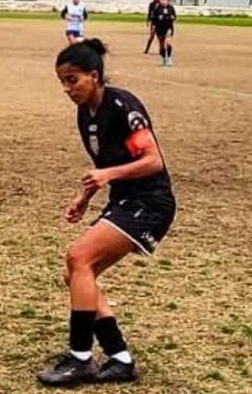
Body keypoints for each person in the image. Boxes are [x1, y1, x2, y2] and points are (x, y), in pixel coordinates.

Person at [37, 39, 176, 387]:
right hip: (126, 199)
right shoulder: (86, 114)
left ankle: (80, 358)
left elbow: (152, 160)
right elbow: (106, 166)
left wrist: (107, 176)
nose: (67, 89)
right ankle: (119, 358)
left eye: (73, 80)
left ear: (94, 76)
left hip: (150, 202)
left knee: (78, 258)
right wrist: (84, 198)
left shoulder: (121, 105)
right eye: (62, 82)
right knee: (77, 276)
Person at [151, 0, 176, 67]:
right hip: (159, 29)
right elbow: (153, 19)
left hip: (168, 28)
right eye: (162, 0)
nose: (163, 1)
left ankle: (169, 58)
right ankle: (163, 58)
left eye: (165, 0)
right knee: (162, 45)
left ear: (168, 0)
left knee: (167, 43)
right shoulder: (157, 9)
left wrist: (172, 17)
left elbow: (174, 16)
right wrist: (153, 26)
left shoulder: (171, 8)